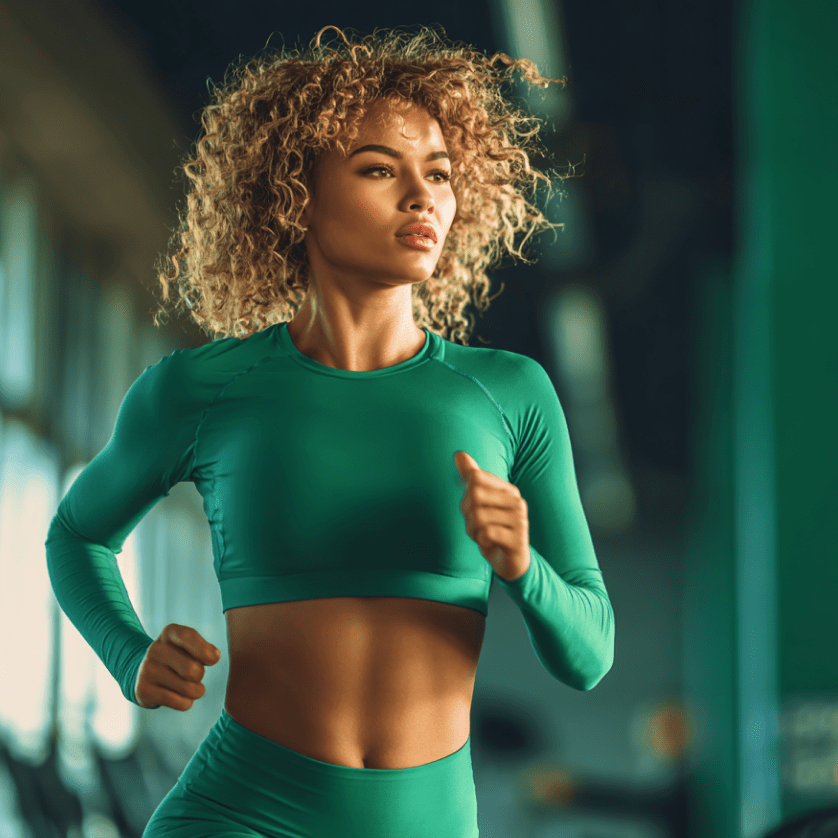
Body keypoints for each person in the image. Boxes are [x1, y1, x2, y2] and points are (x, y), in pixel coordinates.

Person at [44, 23, 615, 838]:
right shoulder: (200, 389)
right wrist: (128, 654)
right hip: (239, 814)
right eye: (380, 169)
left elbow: (590, 656)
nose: (422, 197)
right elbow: (75, 535)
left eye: (439, 173)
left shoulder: (510, 393)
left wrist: (524, 567)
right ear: (296, 193)